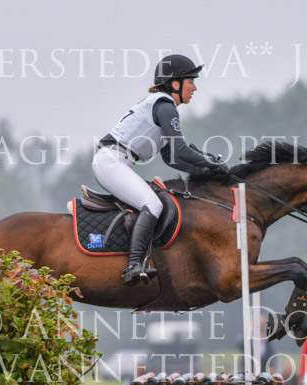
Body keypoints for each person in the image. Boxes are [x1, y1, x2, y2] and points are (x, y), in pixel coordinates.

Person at [93, 54, 230, 286]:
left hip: (118, 161)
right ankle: (133, 265)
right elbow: (181, 149)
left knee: (152, 202)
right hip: (111, 161)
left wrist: (206, 171)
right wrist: (210, 163)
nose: (195, 88)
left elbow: (172, 158)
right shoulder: (165, 106)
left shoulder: (163, 106)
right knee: (153, 205)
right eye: (191, 81)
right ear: (175, 84)